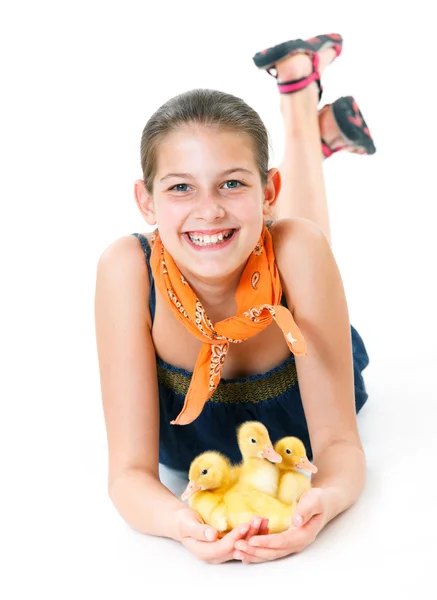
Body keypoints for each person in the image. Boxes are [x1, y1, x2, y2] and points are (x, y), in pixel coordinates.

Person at [94, 32, 375, 565]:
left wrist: (323, 502)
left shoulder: (293, 244)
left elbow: (339, 447)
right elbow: (128, 476)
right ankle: (304, 116)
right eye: (180, 188)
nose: (209, 211)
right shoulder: (125, 269)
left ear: (269, 190)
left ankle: (297, 109)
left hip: (297, 424)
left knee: (298, 240)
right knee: (288, 236)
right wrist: (185, 525)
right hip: (202, 463)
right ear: (145, 201)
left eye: (232, 185)